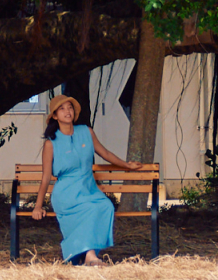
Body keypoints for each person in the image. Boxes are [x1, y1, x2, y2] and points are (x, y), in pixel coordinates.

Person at [26, 93, 144, 267]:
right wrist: (38, 206)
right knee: (90, 209)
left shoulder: (86, 132)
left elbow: (105, 153)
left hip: (89, 189)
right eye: (62, 109)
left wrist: (127, 165)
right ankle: (90, 256)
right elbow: (45, 178)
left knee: (105, 206)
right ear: (55, 116)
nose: (67, 111)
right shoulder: (51, 143)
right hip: (66, 194)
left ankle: (88, 255)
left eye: (70, 108)